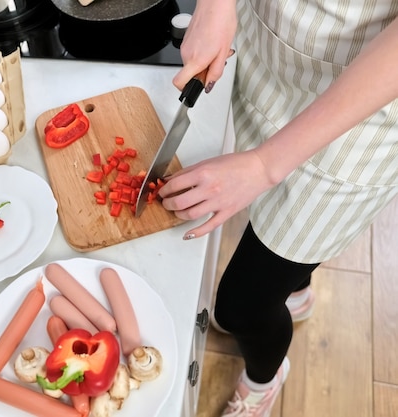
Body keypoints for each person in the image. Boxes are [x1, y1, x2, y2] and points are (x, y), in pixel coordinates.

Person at [159, 0, 398, 416]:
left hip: (362, 114)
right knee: (278, 230)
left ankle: (262, 382)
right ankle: (296, 290)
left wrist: (266, 163)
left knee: (239, 309)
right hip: (272, 54)